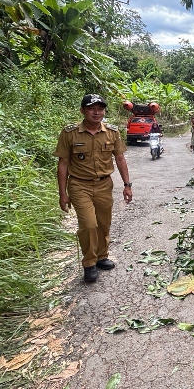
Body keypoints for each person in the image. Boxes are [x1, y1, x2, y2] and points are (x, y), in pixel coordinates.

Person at [55, 94, 133, 283]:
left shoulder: (112, 132)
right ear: (82, 111)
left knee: (103, 223)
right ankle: (89, 262)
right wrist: (62, 193)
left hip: (104, 184)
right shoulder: (69, 133)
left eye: (100, 108)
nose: (97, 112)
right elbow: (63, 163)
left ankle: (101, 256)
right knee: (89, 225)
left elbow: (120, 159)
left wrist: (127, 185)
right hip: (79, 185)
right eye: (91, 108)